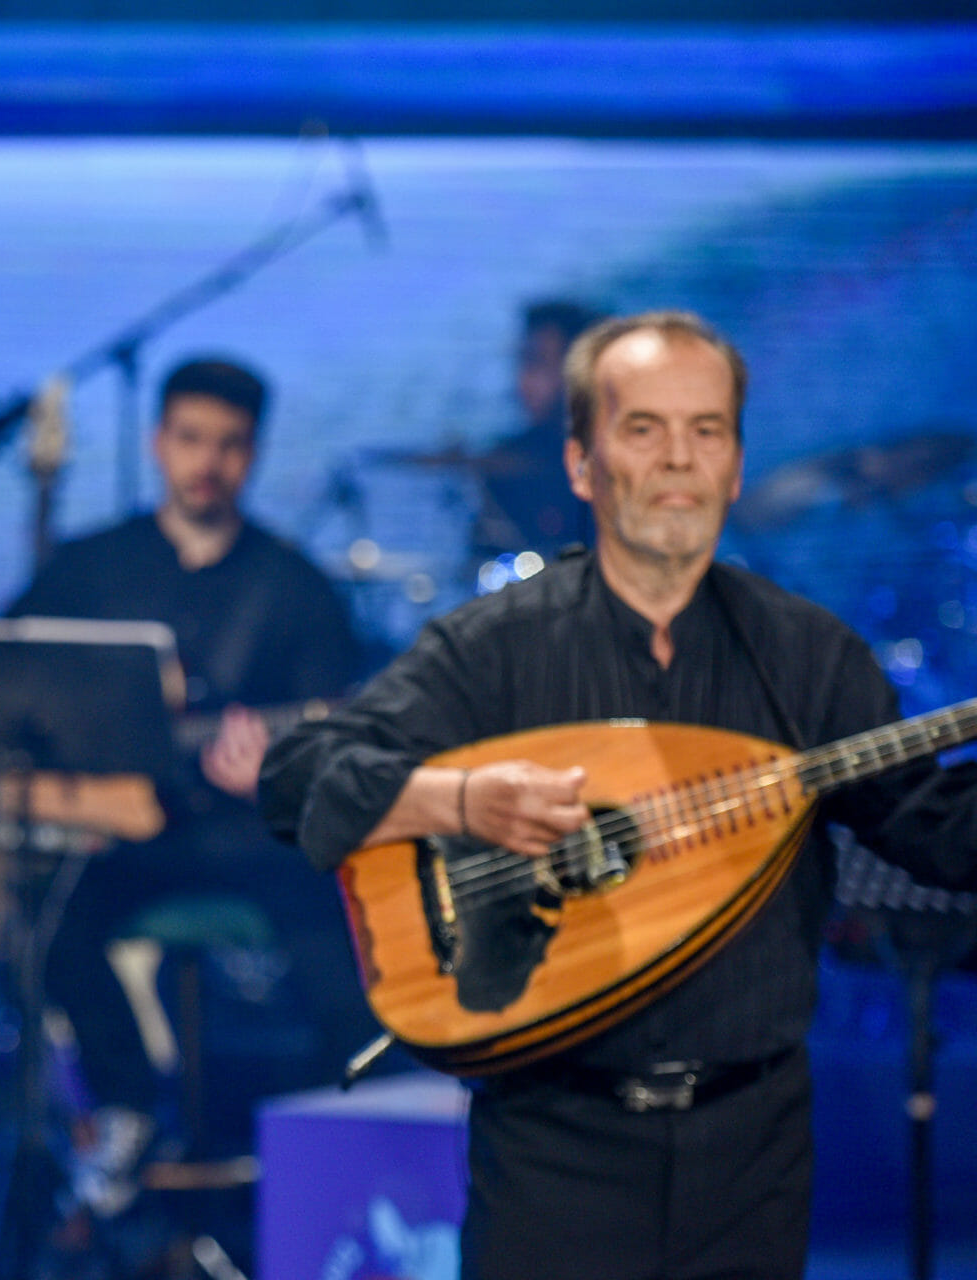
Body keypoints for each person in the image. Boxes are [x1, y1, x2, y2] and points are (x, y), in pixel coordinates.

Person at [260, 310, 977, 1280]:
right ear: (581, 464)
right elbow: (297, 775)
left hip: (752, 1152)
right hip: (554, 1151)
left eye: (706, 430)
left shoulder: (811, 657)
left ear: (735, 466)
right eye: (644, 428)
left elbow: (942, 835)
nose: (679, 458)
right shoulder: (496, 647)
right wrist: (459, 800)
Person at [6, 357, 375, 1209]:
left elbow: (341, 739)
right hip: (124, 832)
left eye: (230, 444)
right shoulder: (94, 565)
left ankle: (344, 1138)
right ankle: (128, 1109)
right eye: (191, 439)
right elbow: (9, 675)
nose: (208, 462)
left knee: (339, 929)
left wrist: (271, 776)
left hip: (248, 834)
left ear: (254, 452)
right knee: (48, 922)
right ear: (158, 441)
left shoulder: (294, 587)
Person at [471, 299, 601, 558]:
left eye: (537, 363)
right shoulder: (506, 464)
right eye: (522, 363)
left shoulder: (612, 461)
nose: (523, 382)